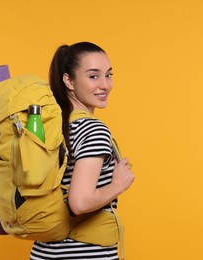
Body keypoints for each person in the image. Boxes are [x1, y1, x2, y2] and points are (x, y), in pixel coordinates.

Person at [30, 42, 135, 260]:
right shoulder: (93, 130)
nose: (105, 85)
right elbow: (80, 202)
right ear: (69, 80)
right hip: (86, 254)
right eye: (93, 76)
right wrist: (119, 184)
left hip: (44, 252)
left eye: (108, 75)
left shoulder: (51, 126)